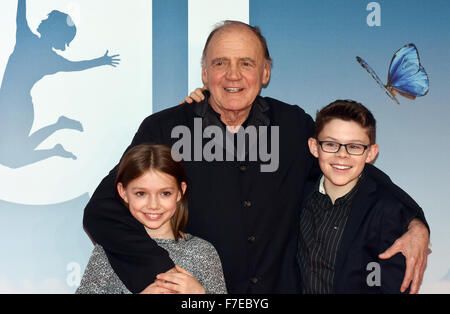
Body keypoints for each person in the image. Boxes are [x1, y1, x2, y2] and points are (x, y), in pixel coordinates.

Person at [83, 20, 429, 294]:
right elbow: (104, 209)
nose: (233, 75)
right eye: (221, 63)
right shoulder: (165, 128)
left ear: (265, 72)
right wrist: (162, 276)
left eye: (246, 63)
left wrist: (414, 222)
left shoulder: (294, 125)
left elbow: (349, 168)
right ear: (205, 74)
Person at [298, 99, 422, 293]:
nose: (342, 155)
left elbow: (392, 286)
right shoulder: (300, 197)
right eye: (331, 144)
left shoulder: (386, 212)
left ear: (371, 153)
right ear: (314, 147)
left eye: (354, 147)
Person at [77, 144, 227, 294]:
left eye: (165, 193)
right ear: (123, 192)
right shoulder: (109, 250)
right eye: (141, 193)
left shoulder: (203, 252)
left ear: (181, 192)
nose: (153, 205)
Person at [0, 0, 120, 168]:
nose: (42, 20)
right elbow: (77, 66)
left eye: (47, 20)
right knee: (12, 157)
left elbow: (77, 66)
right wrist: (101, 60)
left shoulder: (27, 39)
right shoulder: (38, 48)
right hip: (11, 105)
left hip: (17, 108)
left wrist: (102, 60)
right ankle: (58, 133)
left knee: (11, 158)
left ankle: (58, 132)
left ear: (52, 29)